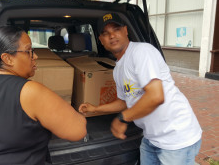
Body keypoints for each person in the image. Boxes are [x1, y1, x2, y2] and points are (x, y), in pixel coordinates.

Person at [79, 13, 202, 165]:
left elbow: (156, 96)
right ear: (101, 40)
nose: (111, 35)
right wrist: (96, 109)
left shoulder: (142, 52)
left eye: (116, 29)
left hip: (176, 138)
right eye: (105, 33)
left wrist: (123, 118)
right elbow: (125, 102)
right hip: (152, 138)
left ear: (125, 31)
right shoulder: (118, 68)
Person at [0, 26, 87, 165]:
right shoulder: (29, 91)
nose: (35, 56)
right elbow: (78, 130)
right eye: (29, 51)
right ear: (8, 59)